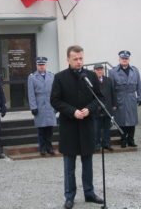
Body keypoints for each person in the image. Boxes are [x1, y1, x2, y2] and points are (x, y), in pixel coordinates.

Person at [50, 45, 104, 209]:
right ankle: (69, 196)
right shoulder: (60, 77)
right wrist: (73, 112)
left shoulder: (91, 76)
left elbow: (99, 98)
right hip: (69, 126)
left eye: (81, 58)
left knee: (88, 163)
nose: (79, 62)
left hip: (87, 125)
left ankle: (89, 193)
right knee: (69, 166)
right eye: (75, 59)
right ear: (68, 59)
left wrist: (90, 109)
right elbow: (55, 101)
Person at [109, 51, 141, 148]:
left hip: (131, 98)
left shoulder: (135, 71)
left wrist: (140, 97)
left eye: (126, 58)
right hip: (120, 98)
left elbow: (139, 85)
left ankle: (131, 140)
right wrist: (113, 102)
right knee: (121, 121)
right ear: (119, 59)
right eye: (123, 58)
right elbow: (111, 88)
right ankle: (123, 140)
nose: (124, 60)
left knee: (132, 121)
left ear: (129, 60)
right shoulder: (113, 72)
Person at [28, 57, 57, 156]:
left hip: (50, 105)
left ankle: (50, 147)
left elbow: (55, 92)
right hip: (39, 105)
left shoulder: (52, 76)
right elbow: (31, 93)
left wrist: (56, 105)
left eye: (43, 64)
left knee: (50, 129)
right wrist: (33, 107)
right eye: (39, 65)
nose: (41, 66)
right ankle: (42, 148)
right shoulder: (32, 77)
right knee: (41, 129)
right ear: (36, 65)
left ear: (46, 65)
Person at [93, 64, 117, 151]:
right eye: (97, 70)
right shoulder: (91, 81)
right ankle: (97, 144)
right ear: (94, 71)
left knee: (107, 127)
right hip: (96, 109)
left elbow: (113, 93)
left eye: (101, 69)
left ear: (103, 70)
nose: (99, 71)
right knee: (96, 128)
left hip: (107, 107)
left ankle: (107, 143)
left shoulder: (109, 80)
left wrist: (114, 105)